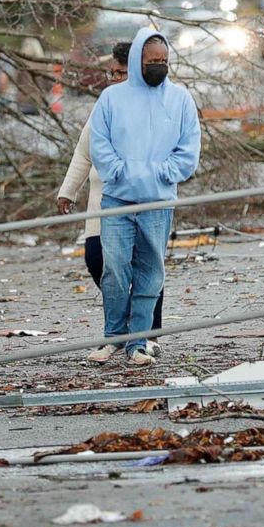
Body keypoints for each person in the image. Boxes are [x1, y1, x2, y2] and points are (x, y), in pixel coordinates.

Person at [87, 27, 201, 367]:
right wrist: (120, 172)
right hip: (118, 200)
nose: (159, 66)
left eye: (164, 61)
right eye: (153, 60)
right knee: (115, 269)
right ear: (137, 60)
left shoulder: (180, 99)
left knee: (151, 272)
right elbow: (99, 144)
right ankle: (114, 338)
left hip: (158, 201)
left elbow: (189, 148)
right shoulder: (111, 98)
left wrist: (163, 174)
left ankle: (138, 343)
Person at [56, 43, 164, 354]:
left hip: (142, 201)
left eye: (121, 72)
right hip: (101, 203)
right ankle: (126, 325)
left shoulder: (154, 104)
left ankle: (147, 335)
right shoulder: (104, 105)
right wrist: (68, 191)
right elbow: (83, 151)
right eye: (111, 72)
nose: (114, 78)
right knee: (97, 260)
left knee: (147, 268)